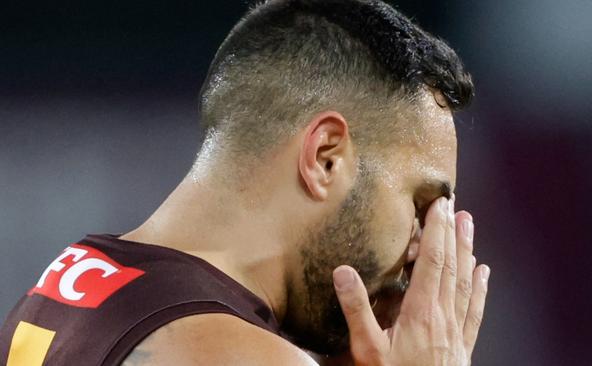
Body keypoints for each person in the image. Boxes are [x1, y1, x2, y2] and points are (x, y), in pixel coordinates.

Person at [0, 0, 490, 364]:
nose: (422, 248)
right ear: (325, 158)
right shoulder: (241, 356)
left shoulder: (69, 283)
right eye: (423, 203)